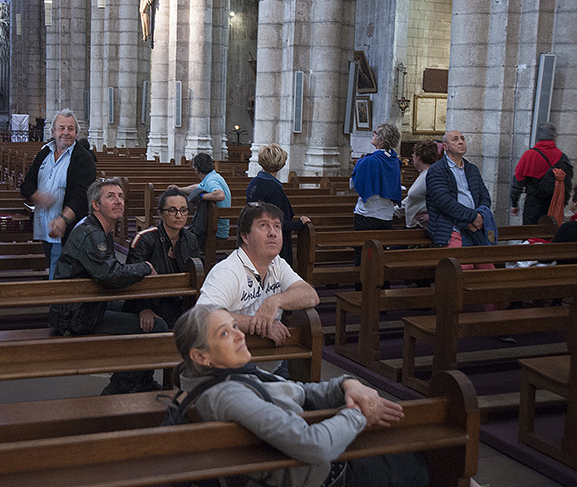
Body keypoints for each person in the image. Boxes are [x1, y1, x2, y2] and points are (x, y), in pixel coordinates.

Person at [172, 305, 430, 487]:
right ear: (201, 356)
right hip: (327, 474)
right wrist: (359, 413)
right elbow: (313, 445)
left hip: (327, 456)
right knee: (426, 461)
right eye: (225, 333)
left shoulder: (231, 371)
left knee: (418, 440)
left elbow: (299, 391)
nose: (241, 335)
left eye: (234, 326)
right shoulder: (228, 394)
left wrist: (348, 384)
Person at [50, 178, 161, 395]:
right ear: (95, 204)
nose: (119, 201)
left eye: (120, 196)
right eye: (110, 196)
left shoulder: (98, 229)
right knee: (157, 328)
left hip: (86, 304)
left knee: (139, 312)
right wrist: (145, 267)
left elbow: (107, 273)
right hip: (76, 315)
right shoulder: (92, 233)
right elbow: (111, 274)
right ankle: (120, 387)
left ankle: (140, 380)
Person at [197, 201, 319, 348]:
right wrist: (255, 324)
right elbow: (203, 318)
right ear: (245, 236)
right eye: (263, 225)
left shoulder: (277, 263)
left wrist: (274, 301)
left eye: (277, 226)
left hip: (271, 359)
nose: (273, 232)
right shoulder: (227, 271)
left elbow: (310, 295)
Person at [20, 109, 96, 279]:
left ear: (76, 132)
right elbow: (27, 184)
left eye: (71, 129)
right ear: (53, 132)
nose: (66, 133)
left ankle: (57, 303)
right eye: (61, 128)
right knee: (54, 264)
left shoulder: (83, 158)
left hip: (69, 228)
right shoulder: (44, 153)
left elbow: (82, 195)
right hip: (45, 226)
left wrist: (64, 220)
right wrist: (35, 195)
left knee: (58, 273)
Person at [124, 187, 201, 331]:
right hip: (149, 302)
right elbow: (131, 279)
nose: (179, 215)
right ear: (161, 213)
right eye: (172, 210)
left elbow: (197, 276)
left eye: (183, 210)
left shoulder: (191, 239)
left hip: (178, 302)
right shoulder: (145, 239)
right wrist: (143, 309)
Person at [425, 130, 495, 249]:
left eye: (462, 139)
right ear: (445, 146)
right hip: (449, 228)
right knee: (463, 266)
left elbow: (484, 197)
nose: (461, 142)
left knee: (487, 266)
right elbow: (444, 202)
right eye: (455, 139)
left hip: (475, 229)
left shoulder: (472, 169)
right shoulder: (437, 170)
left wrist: (480, 216)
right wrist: (473, 217)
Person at [246, 143, 310, 266]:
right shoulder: (273, 188)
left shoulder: (254, 183)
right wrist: (299, 223)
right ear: (281, 164)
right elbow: (275, 221)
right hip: (271, 241)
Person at [350, 123, 402, 267]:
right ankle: (380, 285)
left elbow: (354, 185)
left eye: (376, 133)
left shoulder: (368, 161)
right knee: (380, 255)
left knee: (362, 255)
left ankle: (361, 287)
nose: (373, 134)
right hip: (386, 216)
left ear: (382, 140)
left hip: (366, 215)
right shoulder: (395, 161)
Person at [510, 122, 574, 225]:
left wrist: (514, 204)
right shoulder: (562, 157)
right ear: (554, 137)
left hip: (533, 203)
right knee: (550, 235)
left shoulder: (529, 155)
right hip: (553, 203)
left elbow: (518, 181)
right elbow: (567, 185)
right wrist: (562, 204)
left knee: (530, 234)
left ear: (538, 137)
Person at [173, 152, 232, 243]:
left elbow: (220, 195)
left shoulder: (211, 180)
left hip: (214, 232)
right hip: (217, 229)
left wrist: (201, 196)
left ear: (196, 169)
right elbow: (197, 187)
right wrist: (180, 189)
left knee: (175, 236)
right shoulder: (214, 176)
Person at [402, 140, 439, 229]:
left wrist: (432, 216)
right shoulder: (423, 174)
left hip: (423, 226)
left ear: (419, 157)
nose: (412, 157)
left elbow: (441, 199)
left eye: (414, 154)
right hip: (415, 225)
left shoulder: (430, 175)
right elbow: (413, 197)